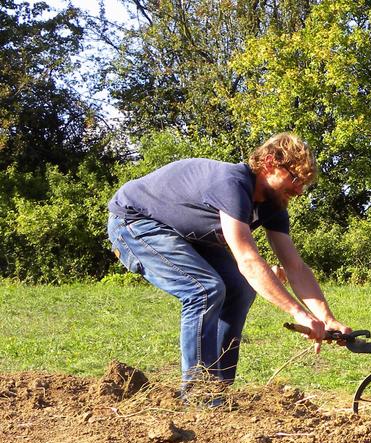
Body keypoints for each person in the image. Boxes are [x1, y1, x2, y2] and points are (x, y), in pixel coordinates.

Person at [106, 132, 351, 401]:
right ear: (270, 163)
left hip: (185, 235)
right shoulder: (232, 185)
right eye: (295, 179)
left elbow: (295, 267)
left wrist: (327, 319)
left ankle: (219, 390)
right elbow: (247, 259)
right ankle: (201, 393)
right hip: (135, 223)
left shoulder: (273, 205)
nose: (298, 190)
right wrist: (299, 313)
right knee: (204, 290)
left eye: (303, 184)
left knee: (240, 289)